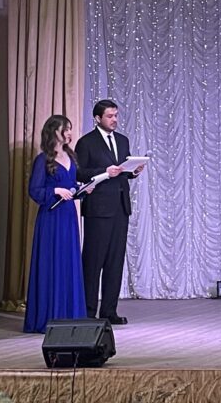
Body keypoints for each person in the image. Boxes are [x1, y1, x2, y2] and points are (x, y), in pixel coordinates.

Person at [75, 99, 144, 325]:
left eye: (116, 115)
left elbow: (124, 170)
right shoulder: (86, 142)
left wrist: (134, 171)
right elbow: (79, 173)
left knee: (115, 261)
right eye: (110, 116)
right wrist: (104, 172)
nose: (114, 120)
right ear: (97, 118)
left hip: (120, 208)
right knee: (93, 261)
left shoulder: (122, 141)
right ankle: (88, 311)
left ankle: (109, 311)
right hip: (98, 209)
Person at [23, 115, 88, 333]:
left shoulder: (71, 156)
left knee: (68, 263)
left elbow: (71, 187)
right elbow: (35, 190)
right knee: (52, 263)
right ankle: (49, 317)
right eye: (65, 129)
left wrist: (82, 190)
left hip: (68, 217)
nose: (69, 133)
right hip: (51, 219)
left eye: (70, 129)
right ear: (54, 132)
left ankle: (70, 315)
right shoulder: (43, 160)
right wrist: (55, 190)